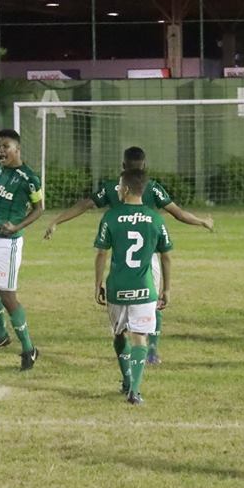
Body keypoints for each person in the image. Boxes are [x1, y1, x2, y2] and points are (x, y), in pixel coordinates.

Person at [44, 146, 213, 365]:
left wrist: (57, 220)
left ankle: (125, 351)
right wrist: (202, 221)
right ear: (145, 167)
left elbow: (85, 204)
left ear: (123, 166)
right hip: (147, 258)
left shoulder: (114, 188)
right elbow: (178, 213)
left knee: (121, 311)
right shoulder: (151, 187)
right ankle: (150, 350)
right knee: (152, 301)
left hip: (119, 260)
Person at [94, 168, 173, 404]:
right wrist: (166, 289)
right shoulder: (156, 219)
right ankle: (135, 391)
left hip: (117, 287)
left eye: (119, 186)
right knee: (140, 338)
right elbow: (166, 256)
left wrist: (97, 284)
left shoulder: (110, 217)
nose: (117, 190)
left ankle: (127, 379)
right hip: (144, 288)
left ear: (126, 189)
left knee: (119, 334)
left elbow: (101, 254)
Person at [0, 125, 44, 370]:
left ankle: (29, 348)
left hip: (8, 244)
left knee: (7, 296)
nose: (1, 151)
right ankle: (1, 335)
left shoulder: (29, 179)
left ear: (18, 149)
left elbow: (39, 209)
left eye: (6, 147)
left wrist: (17, 226)